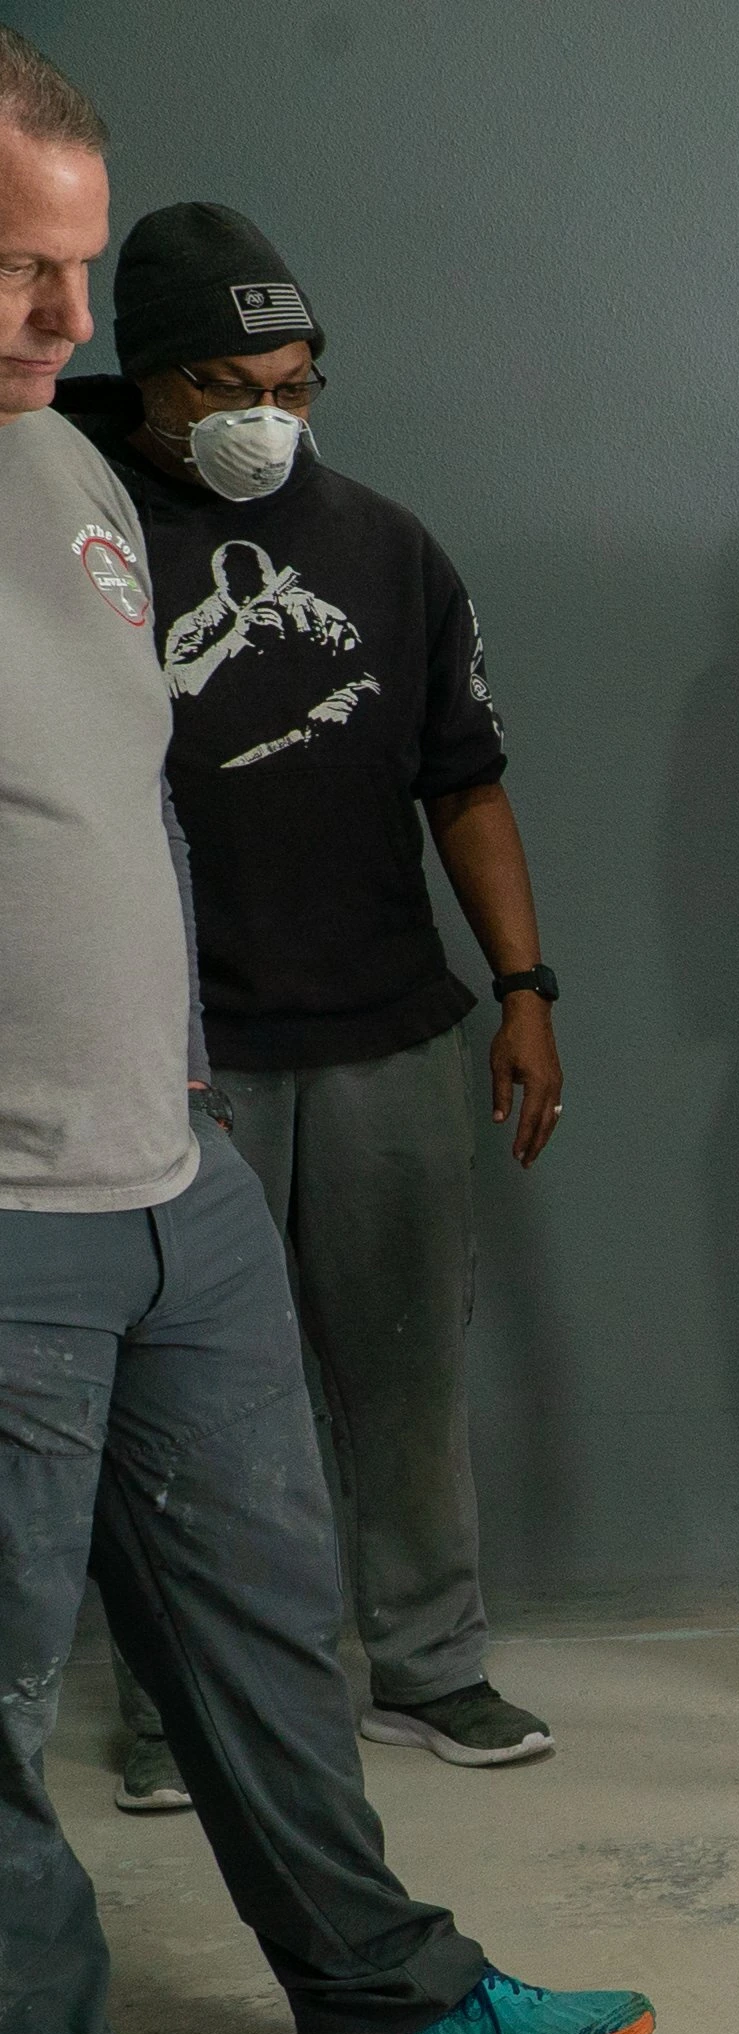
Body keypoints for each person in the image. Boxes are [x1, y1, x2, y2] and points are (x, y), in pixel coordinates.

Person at [0, 31, 648, 2034]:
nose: (60, 319)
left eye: (77, 268)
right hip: (8, 1206)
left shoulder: (70, 485)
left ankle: (378, 1997)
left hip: (165, 1168)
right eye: (12, 269)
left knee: (266, 1619)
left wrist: (177, 1059)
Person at [49, 202, 564, 1816]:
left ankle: (431, 1661)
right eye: (227, 385)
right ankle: (178, 1711)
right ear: (150, 378)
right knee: (188, 1407)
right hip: (177, 1055)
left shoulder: (389, 549)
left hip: (389, 1034)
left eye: (295, 384)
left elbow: (465, 783)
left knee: (407, 1374)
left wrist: (524, 990)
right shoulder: (77, 537)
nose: (267, 418)